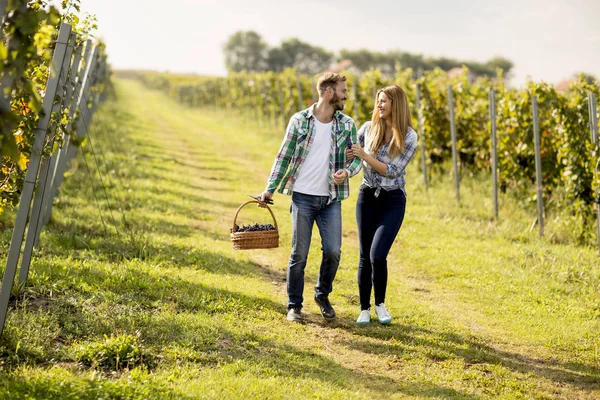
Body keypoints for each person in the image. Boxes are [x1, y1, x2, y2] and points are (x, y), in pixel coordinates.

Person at [258, 72, 362, 322]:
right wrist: (270, 188)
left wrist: (347, 170)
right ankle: (294, 305)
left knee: (334, 251)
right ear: (328, 92)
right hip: (303, 197)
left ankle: (322, 294)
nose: (346, 95)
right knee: (299, 254)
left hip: (330, 200)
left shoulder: (347, 124)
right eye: (343, 90)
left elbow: (358, 157)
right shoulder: (300, 120)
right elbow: (283, 156)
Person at [348, 85, 418, 325]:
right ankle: (364, 309)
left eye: (384, 101)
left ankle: (380, 305)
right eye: (378, 101)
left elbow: (393, 171)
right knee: (364, 256)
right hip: (367, 197)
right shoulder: (368, 129)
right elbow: (354, 159)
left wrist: (365, 156)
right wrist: (347, 169)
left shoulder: (409, 136)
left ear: (395, 105)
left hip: (392, 200)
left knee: (378, 255)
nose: (379, 105)